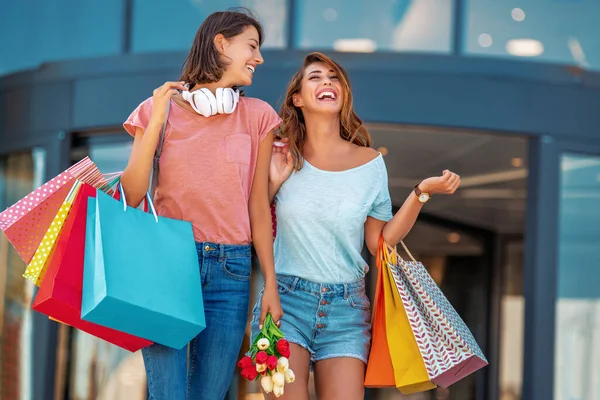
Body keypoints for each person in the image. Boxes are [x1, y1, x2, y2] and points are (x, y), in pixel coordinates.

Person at [254, 52, 461, 399]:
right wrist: (273, 186)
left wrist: (420, 193)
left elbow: (380, 241)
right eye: (316, 77)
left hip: (346, 310)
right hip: (285, 301)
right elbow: (255, 218)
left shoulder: (370, 163)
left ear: (344, 94)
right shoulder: (281, 153)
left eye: (334, 78)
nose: (327, 83)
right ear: (298, 98)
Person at [120, 9, 283, 400]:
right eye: (252, 46)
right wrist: (158, 119)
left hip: (232, 269)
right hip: (168, 263)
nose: (259, 58)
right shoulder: (157, 108)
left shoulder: (259, 116)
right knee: (169, 394)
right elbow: (132, 193)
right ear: (221, 43)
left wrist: (271, 286)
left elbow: (257, 205)